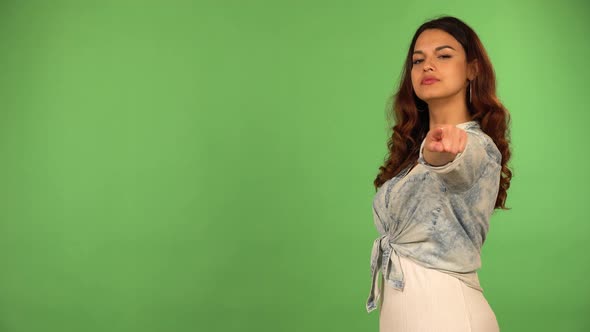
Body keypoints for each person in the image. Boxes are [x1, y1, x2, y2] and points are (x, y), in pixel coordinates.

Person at [365, 16, 512, 331]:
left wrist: (443, 155)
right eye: (418, 60)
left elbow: (459, 167)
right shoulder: (411, 156)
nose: (427, 66)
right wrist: (427, 152)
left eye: (444, 55)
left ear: (472, 68)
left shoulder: (476, 146)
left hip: (448, 315)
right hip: (403, 315)